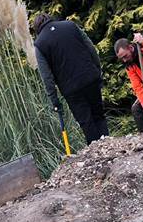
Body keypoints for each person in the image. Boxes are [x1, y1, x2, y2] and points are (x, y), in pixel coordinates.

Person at [32, 13, 109, 144]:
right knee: (99, 114)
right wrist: (97, 71)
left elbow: (47, 77)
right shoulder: (70, 26)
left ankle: (97, 151)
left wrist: (54, 101)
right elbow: (90, 48)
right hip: (90, 77)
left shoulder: (40, 44)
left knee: (86, 122)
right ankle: (108, 146)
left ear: (37, 29)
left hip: (71, 89)